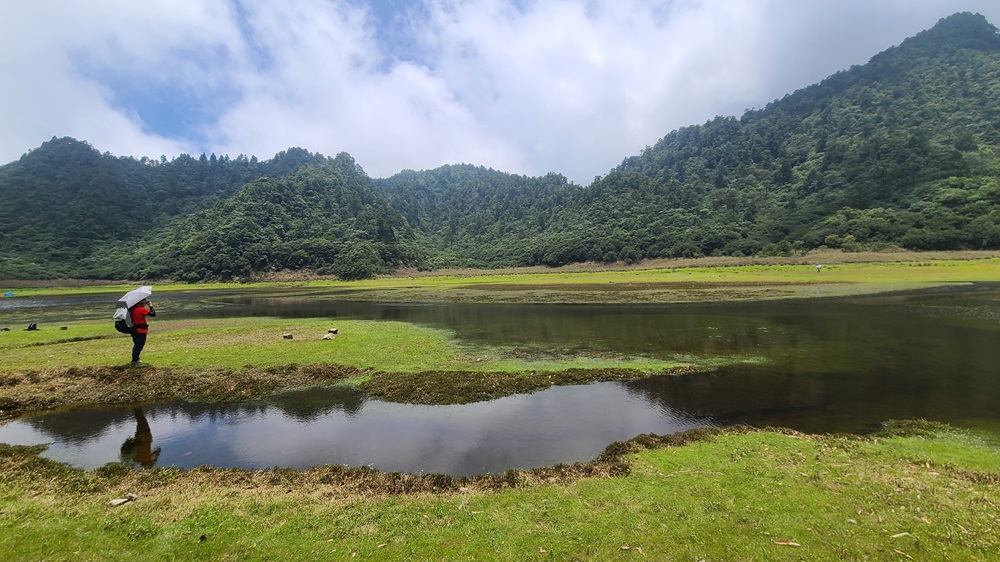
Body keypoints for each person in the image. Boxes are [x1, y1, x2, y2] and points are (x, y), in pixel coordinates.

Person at [129, 298, 155, 367]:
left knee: (136, 345)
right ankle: (134, 362)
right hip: (141, 331)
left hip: (134, 330)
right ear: (141, 303)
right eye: (144, 303)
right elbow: (153, 314)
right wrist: (151, 306)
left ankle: (136, 359)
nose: (145, 304)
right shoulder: (141, 309)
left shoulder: (132, 309)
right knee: (138, 346)